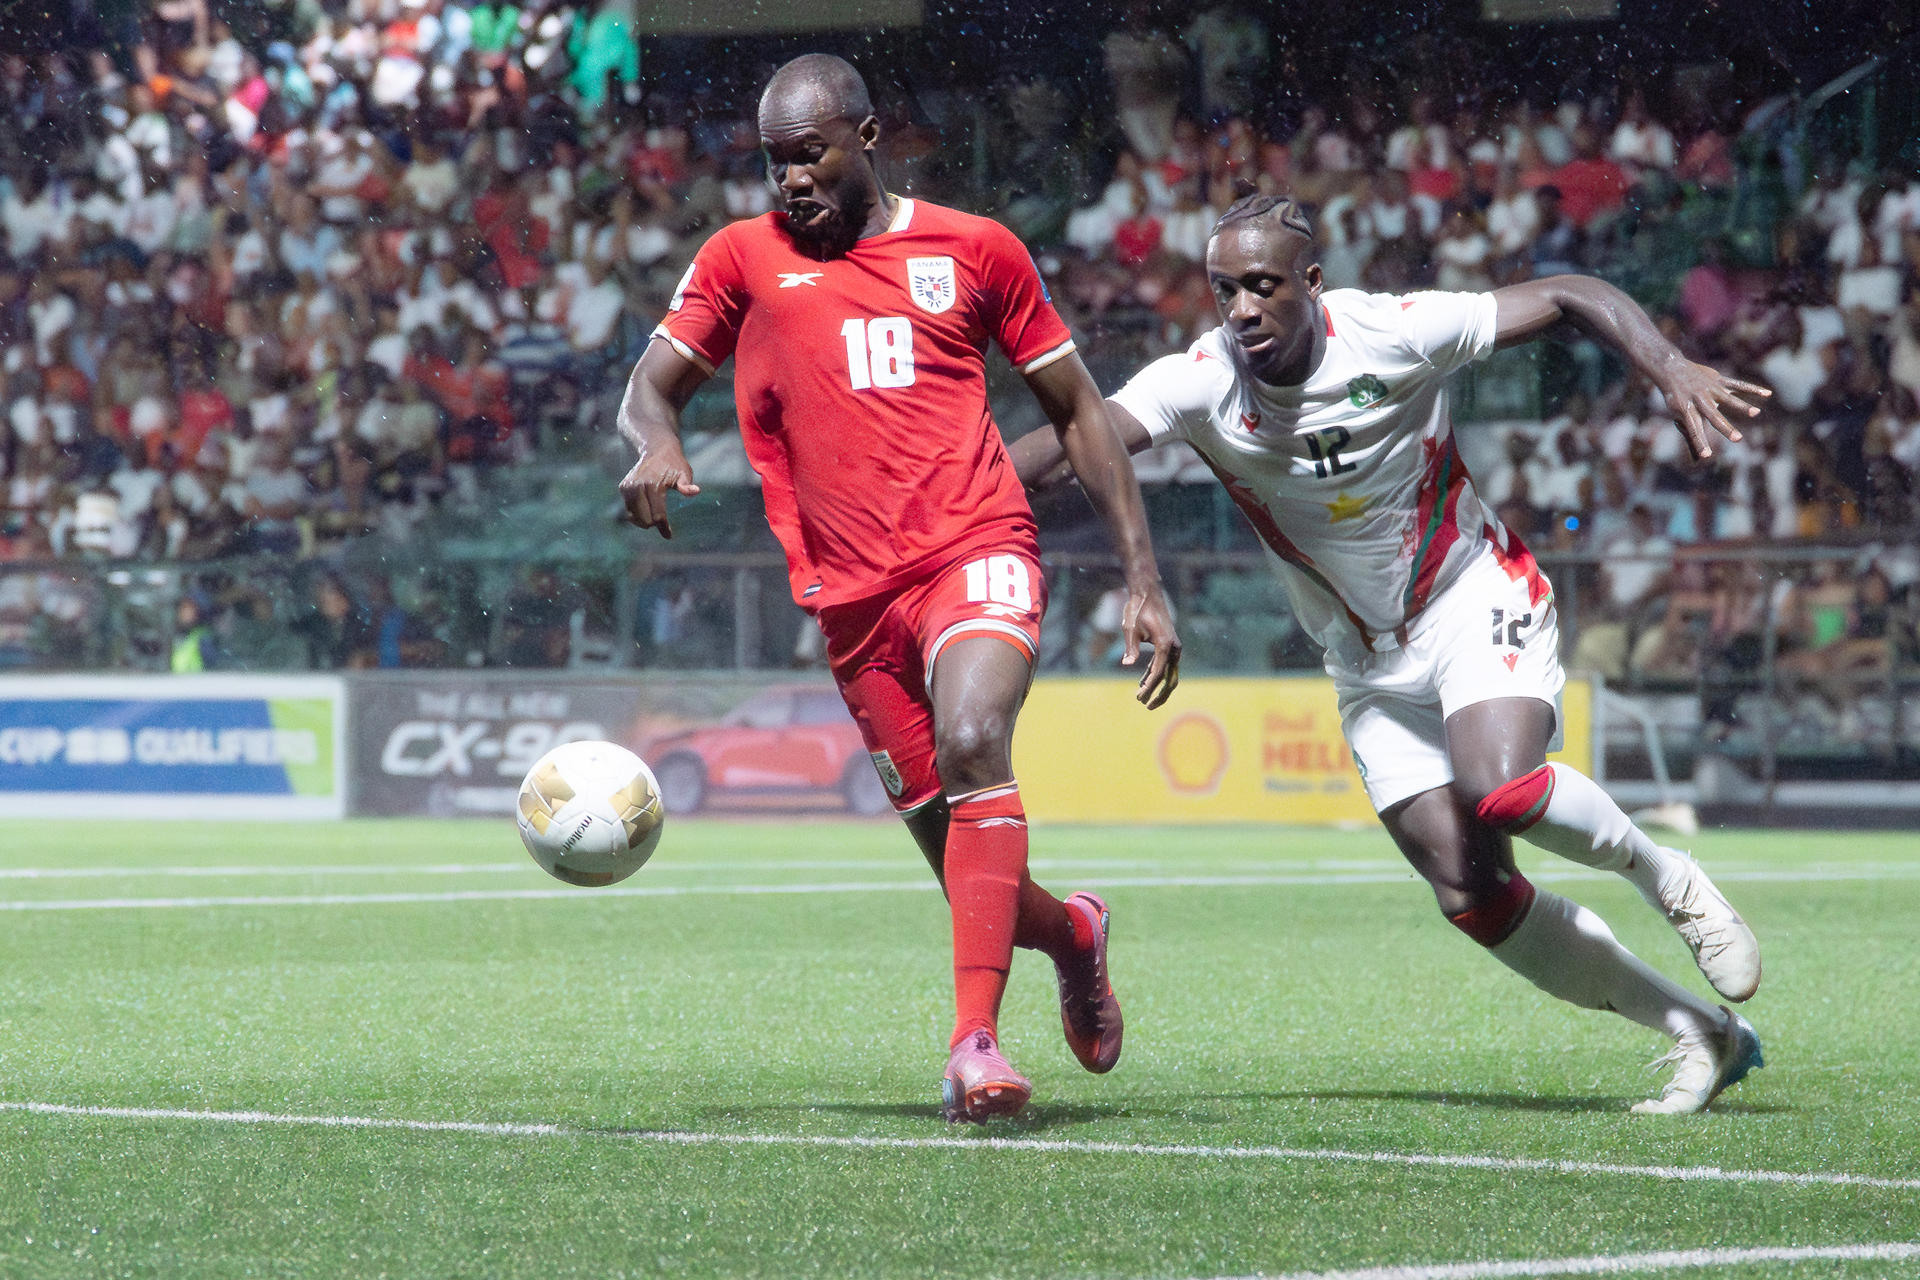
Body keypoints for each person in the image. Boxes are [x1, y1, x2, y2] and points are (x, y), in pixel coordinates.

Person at [1012, 194, 1772, 1115]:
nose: (1242, 309)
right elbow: (1071, 445)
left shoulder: (1398, 331)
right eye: (1225, 291)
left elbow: (1569, 292)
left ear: (1313, 284)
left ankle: (1671, 880)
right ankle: (1699, 1032)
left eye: (1262, 286)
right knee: (1473, 895)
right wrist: (946, 508)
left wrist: (1668, 364)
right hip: (1365, 662)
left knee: (1503, 787)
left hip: (1469, 596)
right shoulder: (1201, 380)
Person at [616, 54, 1181, 1123]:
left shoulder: (976, 249)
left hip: (977, 542)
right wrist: (655, 442)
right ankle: (1074, 933)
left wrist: (1143, 578)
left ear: (867, 139)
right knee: (974, 876)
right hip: (852, 602)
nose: (791, 181)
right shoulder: (741, 258)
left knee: (977, 742)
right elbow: (650, 387)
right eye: (776, 162)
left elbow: (1078, 410)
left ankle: (974, 1044)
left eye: (810, 155)